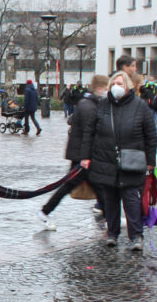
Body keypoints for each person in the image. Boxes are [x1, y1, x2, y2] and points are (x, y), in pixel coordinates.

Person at [80, 71, 156, 250]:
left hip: (131, 161)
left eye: (120, 83)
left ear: (128, 86)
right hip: (106, 160)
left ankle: (136, 235)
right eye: (114, 83)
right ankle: (112, 233)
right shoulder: (103, 105)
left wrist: (150, 161)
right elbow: (89, 132)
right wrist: (85, 156)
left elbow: (151, 135)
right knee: (110, 200)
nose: (116, 86)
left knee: (131, 200)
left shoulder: (140, 106)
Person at [37, 75, 109, 230]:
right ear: (99, 88)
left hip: (81, 155)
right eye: (106, 88)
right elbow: (89, 133)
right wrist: (87, 156)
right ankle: (44, 212)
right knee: (76, 186)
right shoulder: (89, 106)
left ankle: (109, 216)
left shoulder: (88, 104)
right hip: (82, 156)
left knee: (95, 186)